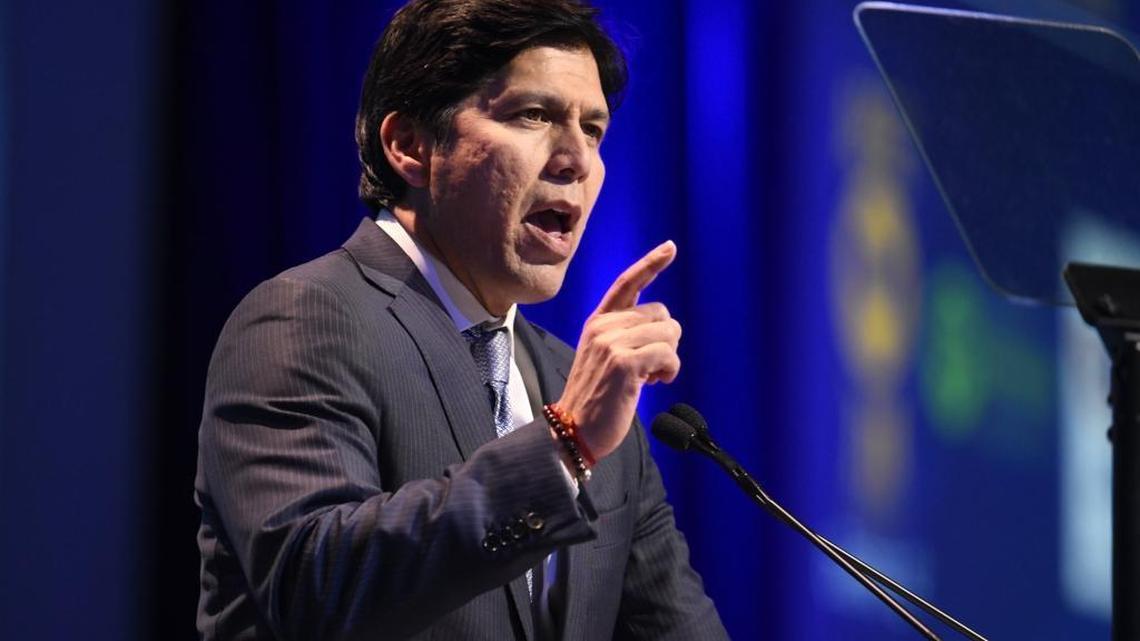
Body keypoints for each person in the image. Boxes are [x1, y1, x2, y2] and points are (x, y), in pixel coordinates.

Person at [194, 0, 728, 639]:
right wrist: (564, 444)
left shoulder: (575, 384)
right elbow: (315, 585)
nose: (577, 160)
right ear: (410, 146)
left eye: (593, 130)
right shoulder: (305, 318)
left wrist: (577, 431)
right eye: (534, 115)